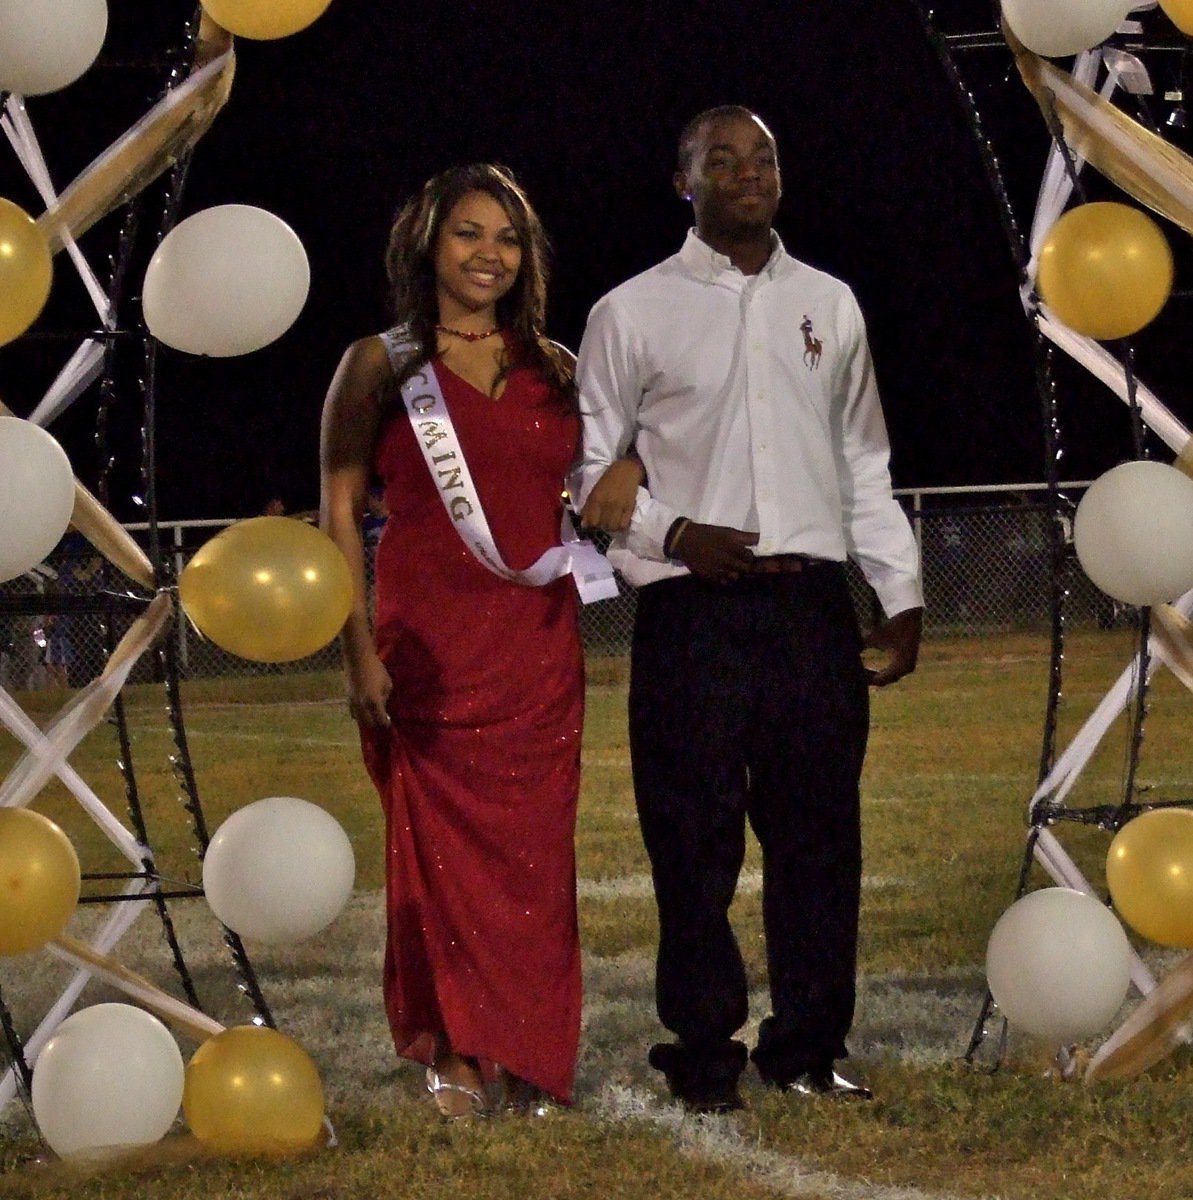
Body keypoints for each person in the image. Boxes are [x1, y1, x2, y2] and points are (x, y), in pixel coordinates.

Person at [575, 106, 924, 1113]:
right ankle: (702, 1053)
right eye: (718, 160)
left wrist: (895, 595)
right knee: (691, 843)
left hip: (812, 610)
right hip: (693, 615)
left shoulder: (830, 302)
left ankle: (808, 1048)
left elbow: (861, 458)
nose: (746, 172)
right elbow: (586, 472)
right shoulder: (629, 311)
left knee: (819, 838)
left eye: (761, 155)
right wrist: (677, 535)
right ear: (681, 182)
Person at [319, 163, 641, 1120]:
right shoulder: (377, 365)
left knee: (536, 860)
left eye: (505, 238)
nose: (487, 254)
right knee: (437, 856)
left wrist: (623, 467)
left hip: (536, 650)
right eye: (467, 233)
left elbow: (612, 467)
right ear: (428, 244)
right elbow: (338, 510)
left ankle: (536, 1057)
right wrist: (357, 650)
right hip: (422, 648)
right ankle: (458, 1054)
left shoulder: (559, 365)